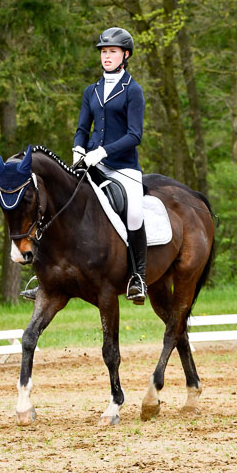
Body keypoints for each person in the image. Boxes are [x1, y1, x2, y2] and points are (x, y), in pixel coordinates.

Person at [73, 27, 147, 304]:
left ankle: (138, 277)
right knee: (62, 202)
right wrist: (78, 148)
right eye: (104, 51)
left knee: (135, 214)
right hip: (91, 164)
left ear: (125, 55)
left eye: (112, 51)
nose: (106, 56)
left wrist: (103, 152)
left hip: (123, 167)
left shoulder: (133, 91)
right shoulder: (91, 90)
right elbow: (83, 128)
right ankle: (48, 274)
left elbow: (134, 135)